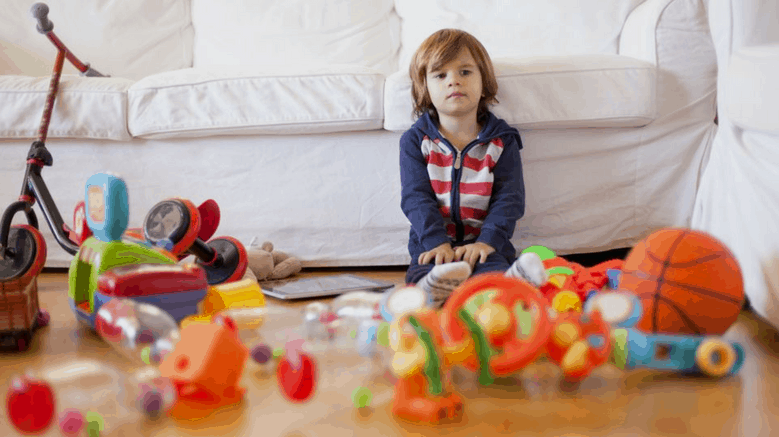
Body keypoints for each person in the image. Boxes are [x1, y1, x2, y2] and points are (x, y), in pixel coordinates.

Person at [399, 28, 547, 307]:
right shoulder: (415, 141)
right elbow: (414, 197)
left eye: (465, 72)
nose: (454, 81)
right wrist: (436, 242)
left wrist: (487, 242)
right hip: (432, 247)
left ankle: (513, 284)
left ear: (484, 80)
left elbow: (510, 198)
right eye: (440, 75)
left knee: (492, 278)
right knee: (422, 278)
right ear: (424, 88)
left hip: (485, 245)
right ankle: (433, 292)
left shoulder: (502, 141)